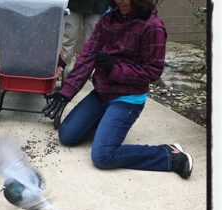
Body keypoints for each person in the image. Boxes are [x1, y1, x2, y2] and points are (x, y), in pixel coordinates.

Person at [43, 0, 193, 179]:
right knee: (67, 136)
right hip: (101, 94)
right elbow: (88, 56)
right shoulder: (108, 17)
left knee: (103, 156)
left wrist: (115, 68)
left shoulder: (153, 26)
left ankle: (169, 155)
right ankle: (106, 122)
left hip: (128, 98)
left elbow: (153, 71)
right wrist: (65, 93)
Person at [62, 0, 111, 76]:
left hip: (98, 6)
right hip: (73, 5)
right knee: (67, 39)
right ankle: (61, 69)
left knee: (91, 43)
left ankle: (85, 71)